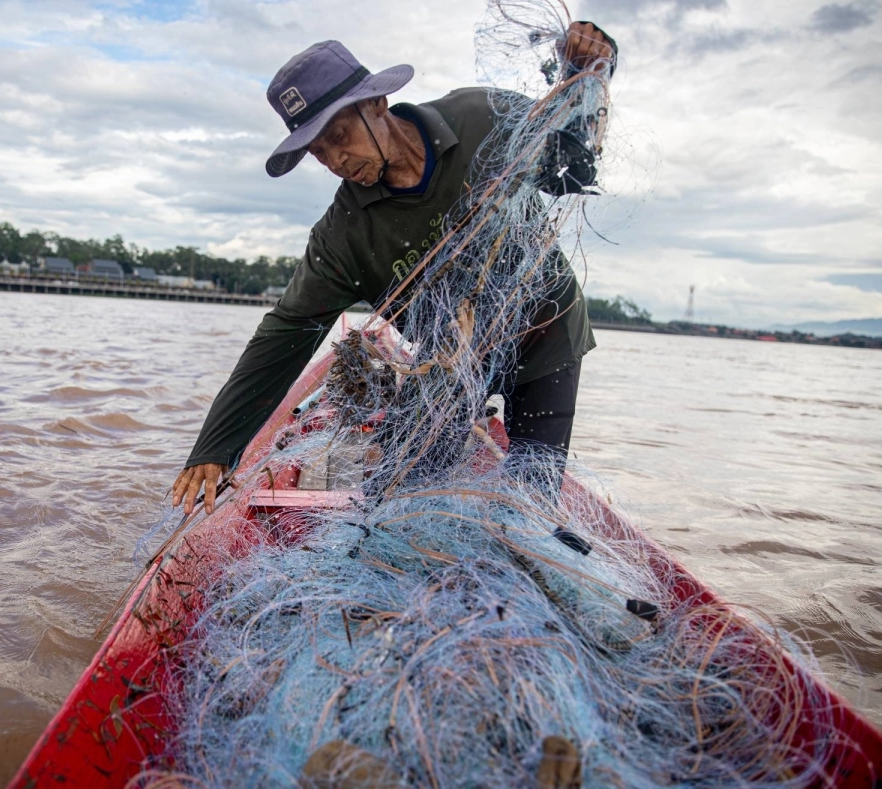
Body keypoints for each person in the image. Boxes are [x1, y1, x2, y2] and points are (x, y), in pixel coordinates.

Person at [173, 22, 617, 515]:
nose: (337, 160)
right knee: (396, 499)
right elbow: (286, 332)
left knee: (530, 500)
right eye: (319, 152)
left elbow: (573, 168)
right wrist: (215, 448)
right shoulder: (345, 234)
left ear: (377, 103)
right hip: (452, 362)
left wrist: (588, 70)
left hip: (546, 333)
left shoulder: (480, 118)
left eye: (340, 135)